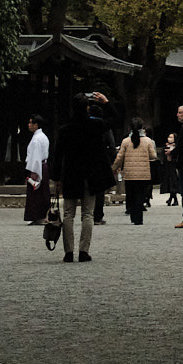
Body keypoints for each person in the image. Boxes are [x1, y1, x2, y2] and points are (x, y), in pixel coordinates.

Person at [52, 93, 115, 262]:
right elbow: (114, 120)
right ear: (87, 108)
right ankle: (83, 251)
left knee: (68, 214)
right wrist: (106, 103)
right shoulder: (95, 125)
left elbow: (58, 155)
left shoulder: (65, 129)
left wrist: (56, 177)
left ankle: (68, 252)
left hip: (71, 174)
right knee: (88, 213)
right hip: (91, 174)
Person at [114, 119, 156, 226]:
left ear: (130, 128)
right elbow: (153, 156)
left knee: (131, 195)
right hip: (143, 173)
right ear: (142, 128)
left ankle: (133, 216)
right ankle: (139, 218)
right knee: (140, 195)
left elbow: (119, 157)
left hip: (129, 173)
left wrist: (114, 167)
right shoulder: (148, 141)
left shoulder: (126, 141)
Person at [23, 114, 51, 225]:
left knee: (36, 194)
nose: (29, 125)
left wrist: (34, 172)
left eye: (31, 123)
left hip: (37, 166)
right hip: (43, 165)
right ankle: (42, 215)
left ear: (36, 125)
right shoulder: (42, 137)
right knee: (43, 193)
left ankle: (36, 216)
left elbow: (35, 157)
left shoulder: (36, 139)